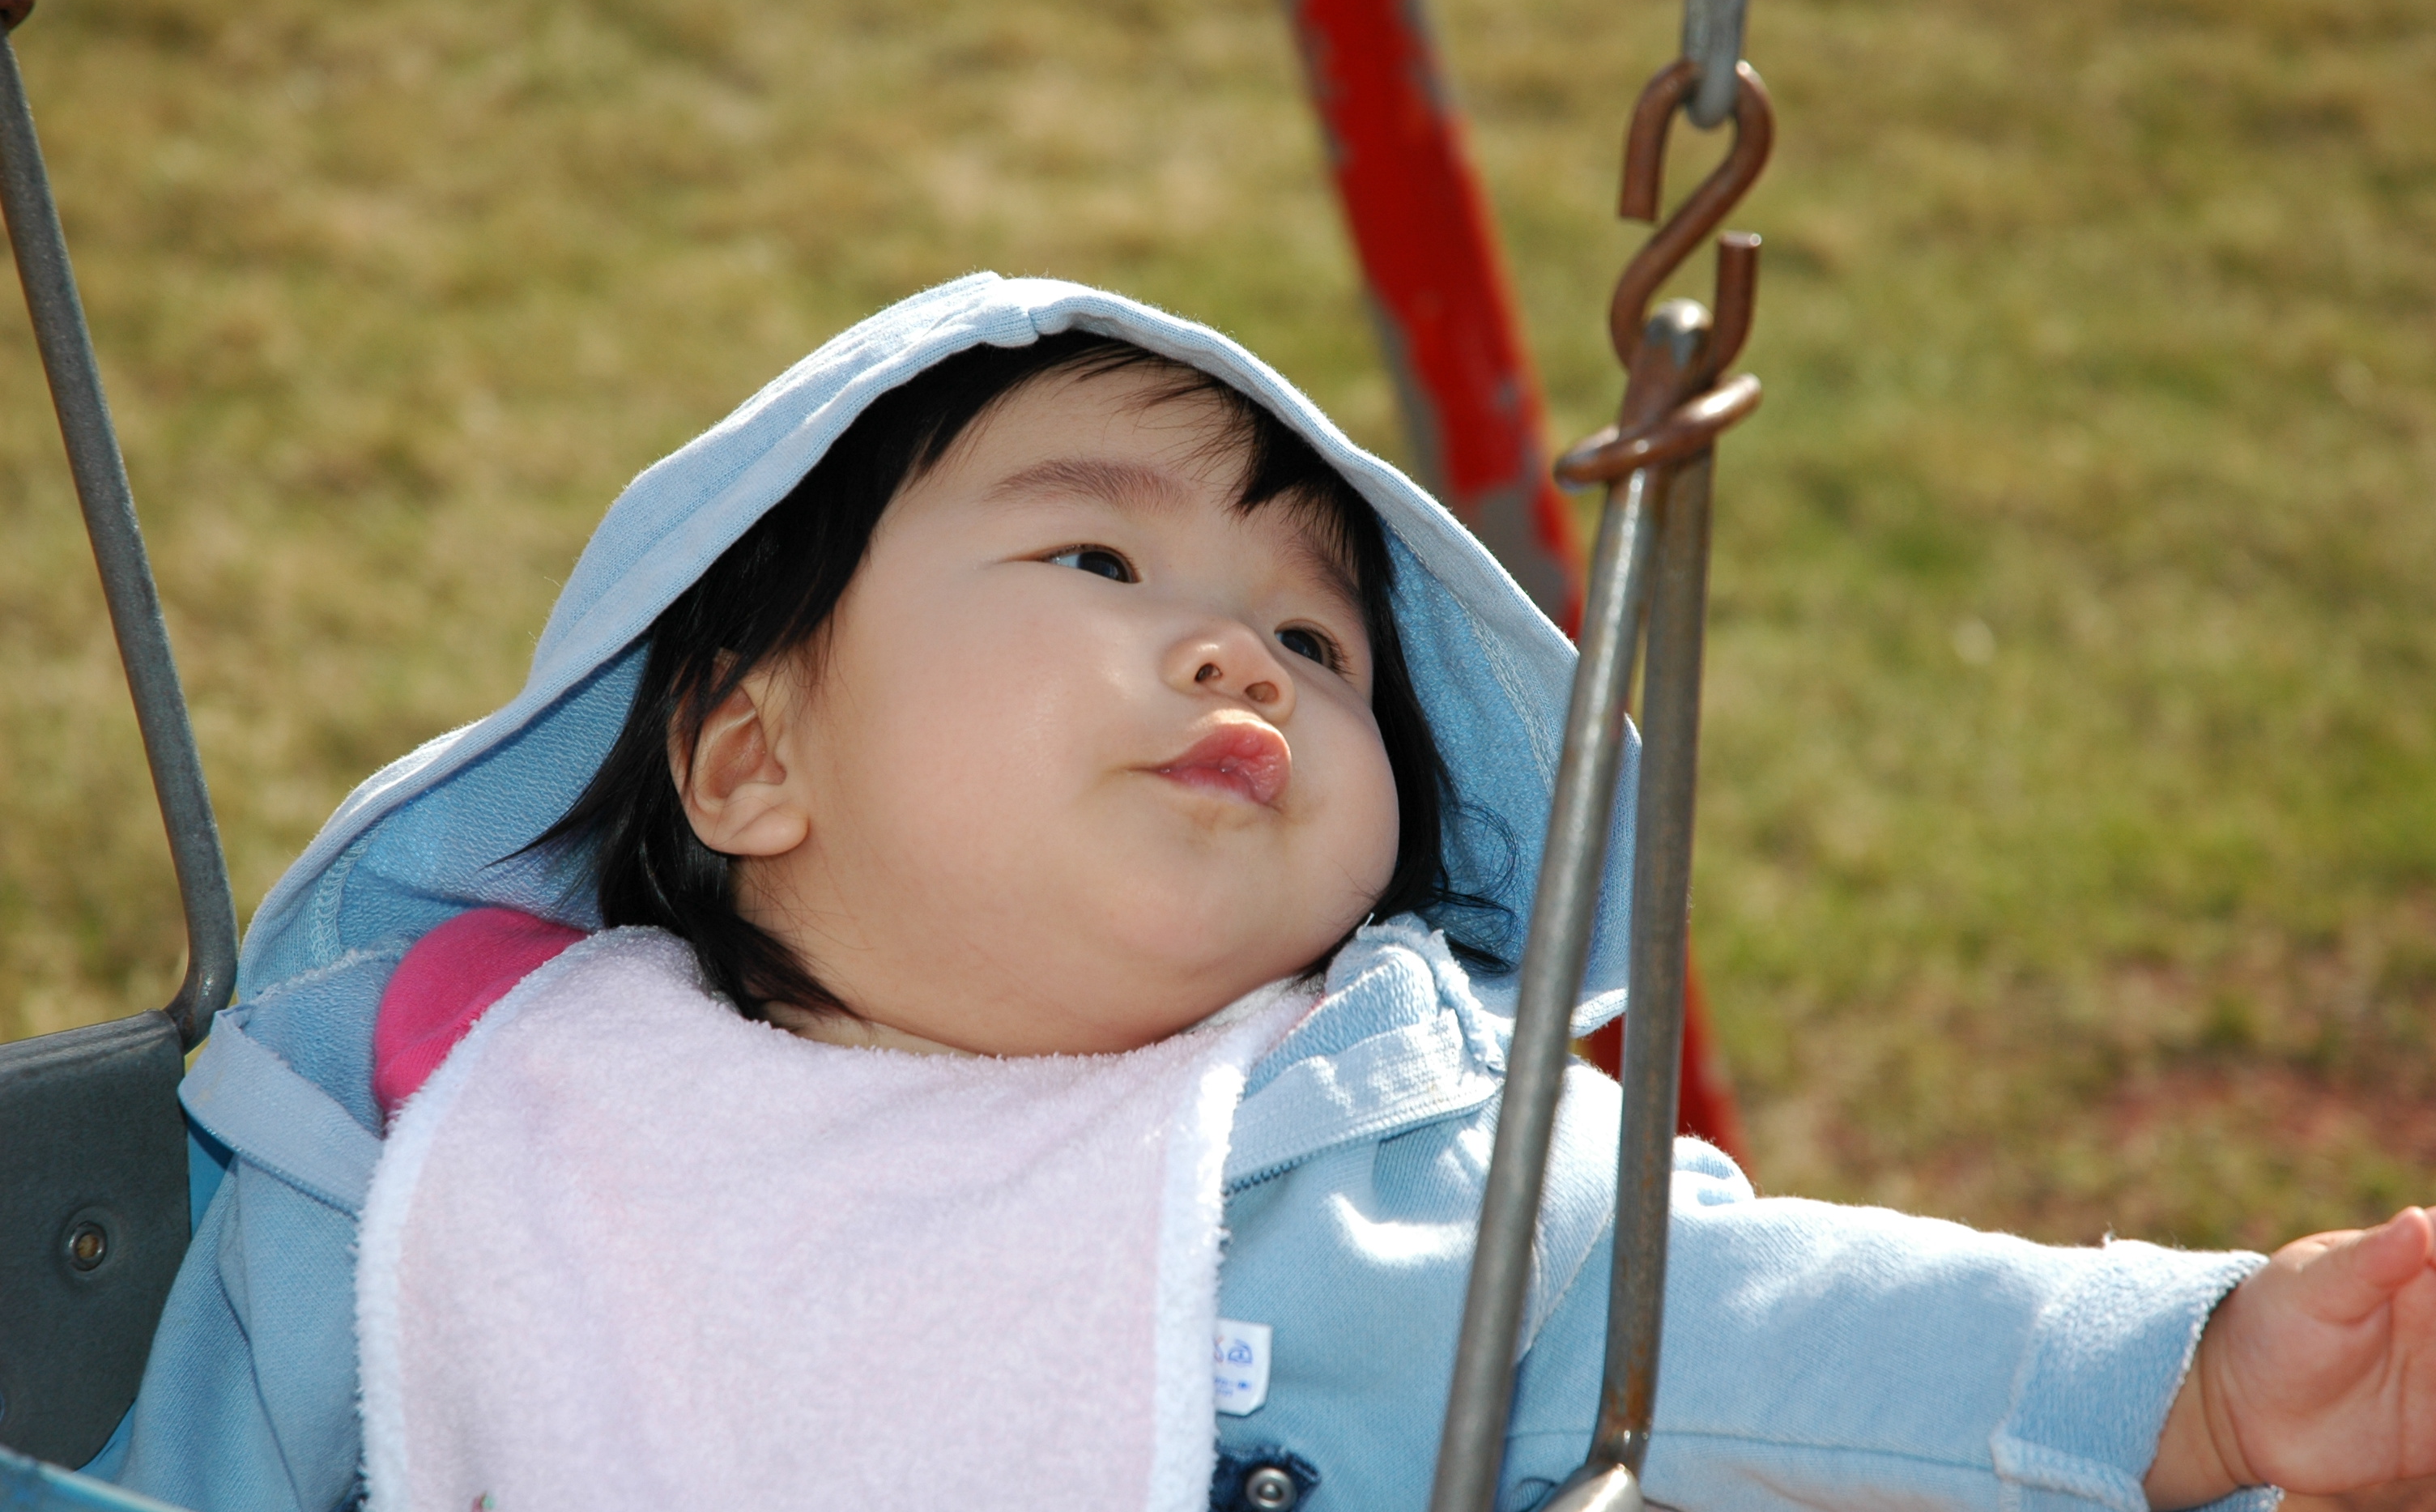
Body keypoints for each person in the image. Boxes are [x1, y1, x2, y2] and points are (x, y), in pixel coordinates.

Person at [109, 277, 2436, 1511]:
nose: (1240, 654)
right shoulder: (443, 1146)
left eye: (1319, 644)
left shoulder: (1385, 1175)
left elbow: (1772, 1336)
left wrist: (2203, 1375)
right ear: (749, 757)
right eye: (1099, 558)